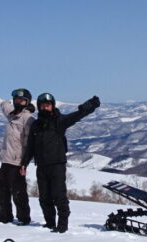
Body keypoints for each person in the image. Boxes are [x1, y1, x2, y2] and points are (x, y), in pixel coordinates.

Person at [21, 93, 100, 233]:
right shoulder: (36, 125)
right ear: (39, 107)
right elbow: (31, 147)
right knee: (44, 197)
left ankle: (62, 225)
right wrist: (24, 163)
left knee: (59, 195)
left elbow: (77, 115)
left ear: (52, 106)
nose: (45, 107)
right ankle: (50, 222)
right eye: (42, 105)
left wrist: (90, 106)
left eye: (48, 105)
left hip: (57, 164)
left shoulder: (59, 121)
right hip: (41, 166)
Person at [0, 88, 35, 225]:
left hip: (18, 162)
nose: (18, 102)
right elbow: (4, 105)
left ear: (27, 102)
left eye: (22, 100)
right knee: (2, 192)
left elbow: (29, 142)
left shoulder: (27, 118)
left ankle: (24, 218)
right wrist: (6, 101)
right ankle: (4, 217)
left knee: (19, 193)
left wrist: (24, 162)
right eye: (16, 99)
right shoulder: (12, 115)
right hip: (5, 160)